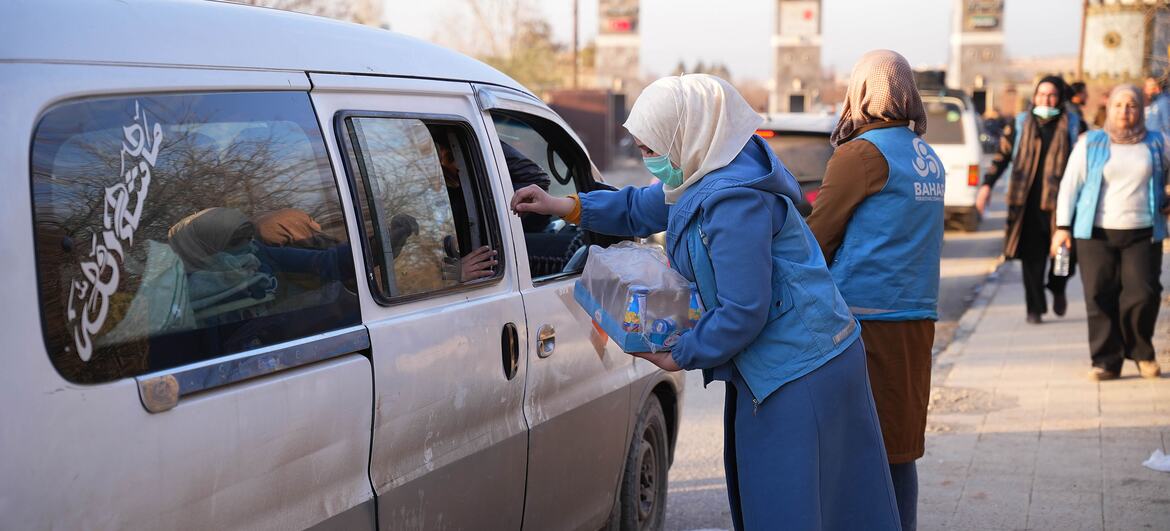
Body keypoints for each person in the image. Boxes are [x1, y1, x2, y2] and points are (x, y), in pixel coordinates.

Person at [511, 74, 900, 531]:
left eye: (652, 150)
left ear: (687, 135)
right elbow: (643, 206)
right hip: (782, 361)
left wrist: (681, 355)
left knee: (794, 507)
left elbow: (742, 310)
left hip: (803, 367)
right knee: (795, 502)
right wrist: (564, 206)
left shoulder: (734, 201)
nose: (647, 161)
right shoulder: (705, 172)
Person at [805, 50, 944, 531]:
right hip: (917, 315)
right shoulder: (927, 155)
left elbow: (817, 237)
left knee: (853, 449)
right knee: (899, 448)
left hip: (864, 321)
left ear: (861, 92)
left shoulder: (862, 154)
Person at [1052, 85, 1169, 381]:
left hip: (1143, 231)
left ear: (1141, 109)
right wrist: (1063, 228)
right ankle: (1106, 360)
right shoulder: (1091, 143)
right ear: (1109, 108)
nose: (1124, 111)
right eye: (1118, 105)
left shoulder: (1157, 143)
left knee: (1143, 293)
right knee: (1099, 295)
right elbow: (1069, 186)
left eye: (1131, 105)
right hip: (1095, 232)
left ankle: (1142, 352)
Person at [975, 75, 1086, 324]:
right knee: (1032, 259)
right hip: (1026, 202)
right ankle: (1034, 308)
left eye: (1051, 95)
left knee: (1065, 257)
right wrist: (986, 186)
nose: (1046, 99)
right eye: (1041, 94)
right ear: (1034, 96)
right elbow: (1002, 157)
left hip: (1063, 204)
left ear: (1060, 98)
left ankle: (1057, 287)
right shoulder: (1020, 123)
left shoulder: (1074, 124)